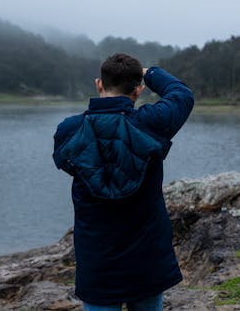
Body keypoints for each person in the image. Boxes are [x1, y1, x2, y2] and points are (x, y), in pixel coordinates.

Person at [52, 53, 194, 311]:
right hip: (147, 257)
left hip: (97, 259)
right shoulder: (150, 123)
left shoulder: (70, 130)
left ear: (98, 84)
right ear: (138, 91)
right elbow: (182, 95)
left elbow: (65, 161)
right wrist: (150, 73)